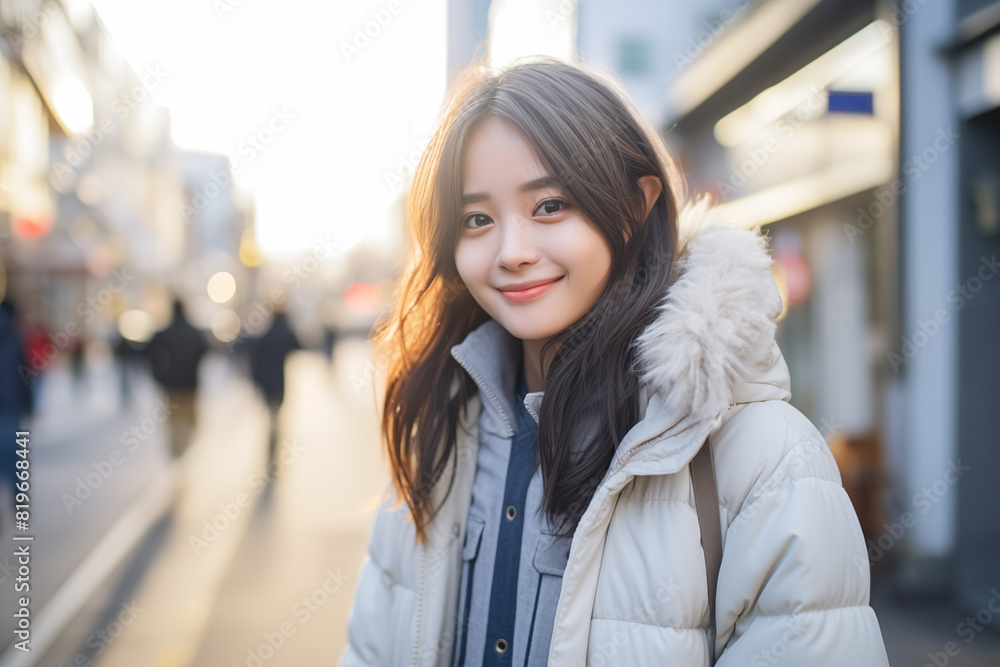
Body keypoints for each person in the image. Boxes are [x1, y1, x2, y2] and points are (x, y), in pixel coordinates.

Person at [338, 57, 890, 666]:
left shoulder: (763, 458)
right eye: (477, 219)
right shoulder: (440, 428)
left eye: (549, 206)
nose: (512, 251)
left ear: (635, 205)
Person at [144, 298, 207, 459]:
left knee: (173, 422)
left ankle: (177, 449)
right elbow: (204, 353)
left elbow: (148, 354)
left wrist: (159, 375)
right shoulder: (194, 333)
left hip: (170, 387)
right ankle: (182, 447)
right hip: (189, 386)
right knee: (191, 421)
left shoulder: (163, 334)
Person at [247, 307, 301, 462]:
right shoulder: (285, 333)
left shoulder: (266, 334)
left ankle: (273, 434)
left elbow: (255, 357)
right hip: (280, 380)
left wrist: (256, 379)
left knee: (271, 411)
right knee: (276, 412)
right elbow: (298, 344)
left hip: (266, 380)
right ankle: (274, 434)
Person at [0, 299, 34, 533]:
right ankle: (20, 503)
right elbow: (24, 371)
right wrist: (29, 403)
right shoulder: (13, 335)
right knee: (16, 458)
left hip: (9, 404)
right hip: (11, 404)